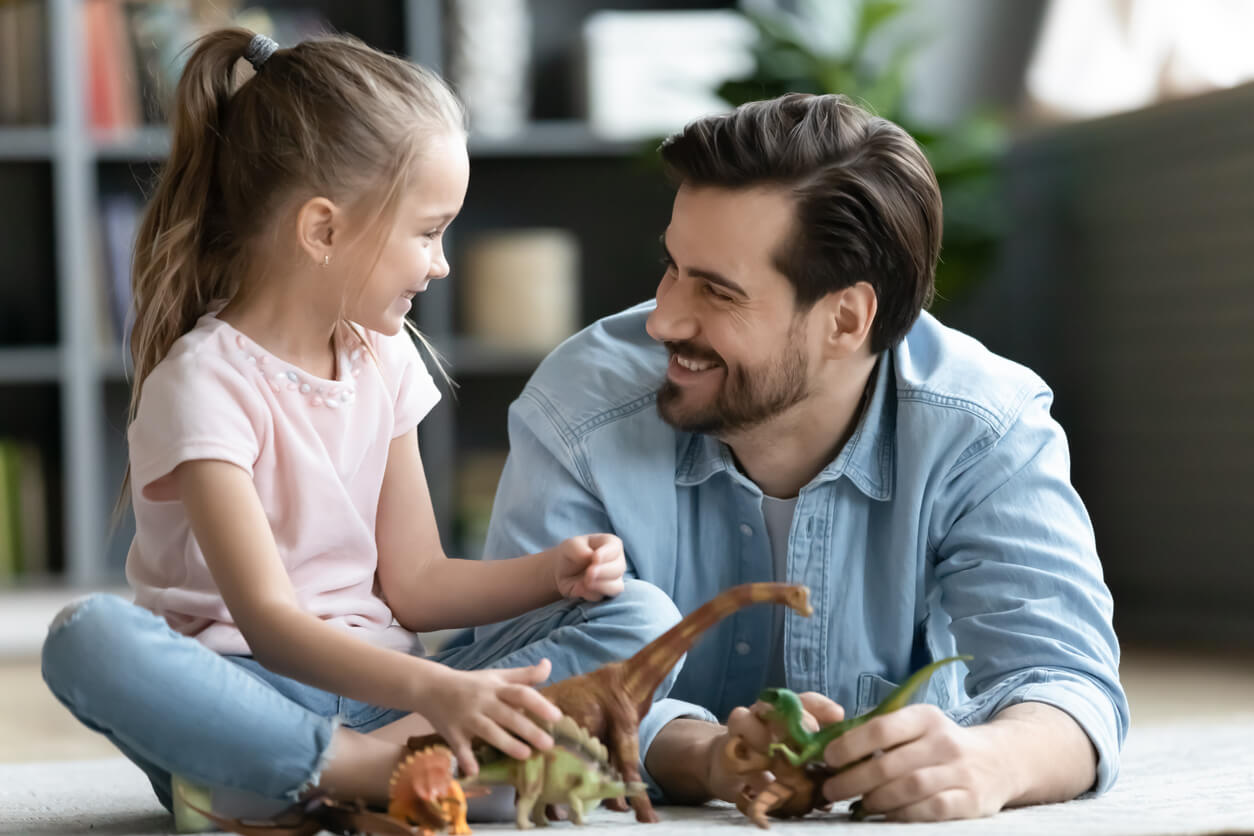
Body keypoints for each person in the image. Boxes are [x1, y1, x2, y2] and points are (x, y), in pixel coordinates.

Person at [39, 29, 684, 823]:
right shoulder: (203, 383)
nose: (441, 262)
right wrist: (438, 690)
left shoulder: (384, 358)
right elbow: (270, 626)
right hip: (252, 700)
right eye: (427, 230)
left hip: (387, 697)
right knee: (87, 636)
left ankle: (373, 776)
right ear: (323, 230)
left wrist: (549, 574)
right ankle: (371, 771)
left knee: (644, 614)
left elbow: (414, 585)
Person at [460, 93, 1130, 822]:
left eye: (716, 291)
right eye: (672, 267)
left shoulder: (984, 427)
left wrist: (992, 760)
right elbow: (521, 689)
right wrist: (703, 756)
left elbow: (1068, 680)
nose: (663, 317)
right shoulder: (582, 407)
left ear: (845, 319)